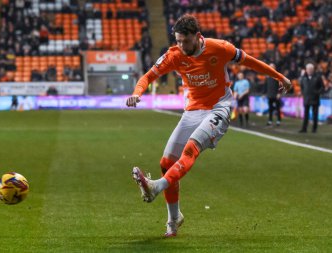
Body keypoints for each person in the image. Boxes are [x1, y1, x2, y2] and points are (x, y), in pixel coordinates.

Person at [125, 14, 291, 237]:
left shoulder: (220, 48)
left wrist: (279, 76)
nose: (181, 45)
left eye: (185, 41)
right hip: (192, 110)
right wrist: (137, 93)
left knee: (191, 148)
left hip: (218, 108)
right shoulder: (174, 55)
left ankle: (157, 187)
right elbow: (147, 77)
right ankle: (174, 219)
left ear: (198, 36)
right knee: (166, 162)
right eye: (178, 41)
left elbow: (250, 60)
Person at [298, 63, 324, 133]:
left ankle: (314, 129)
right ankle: (304, 129)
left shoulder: (318, 77)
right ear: (306, 70)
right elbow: (302, 87)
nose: (309, 70)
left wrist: (317, 93)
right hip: (306, 99)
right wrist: (303, 93)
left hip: (315, 99)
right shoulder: (303, 78)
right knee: (305, 115)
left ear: (313, 70)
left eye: (311, 69)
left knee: (315, 115)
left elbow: (322, 87)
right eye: (308, 69)